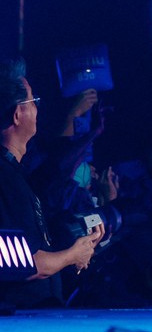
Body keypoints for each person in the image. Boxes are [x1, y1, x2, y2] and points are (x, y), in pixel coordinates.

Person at [0, 58, 99, 308]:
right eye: (33, 101)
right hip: (20, 319)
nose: (37, 108)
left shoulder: (15, 174)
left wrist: (75, 248)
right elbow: (22, 265)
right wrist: (73, 254)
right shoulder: (5, 179)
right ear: (17, 114)